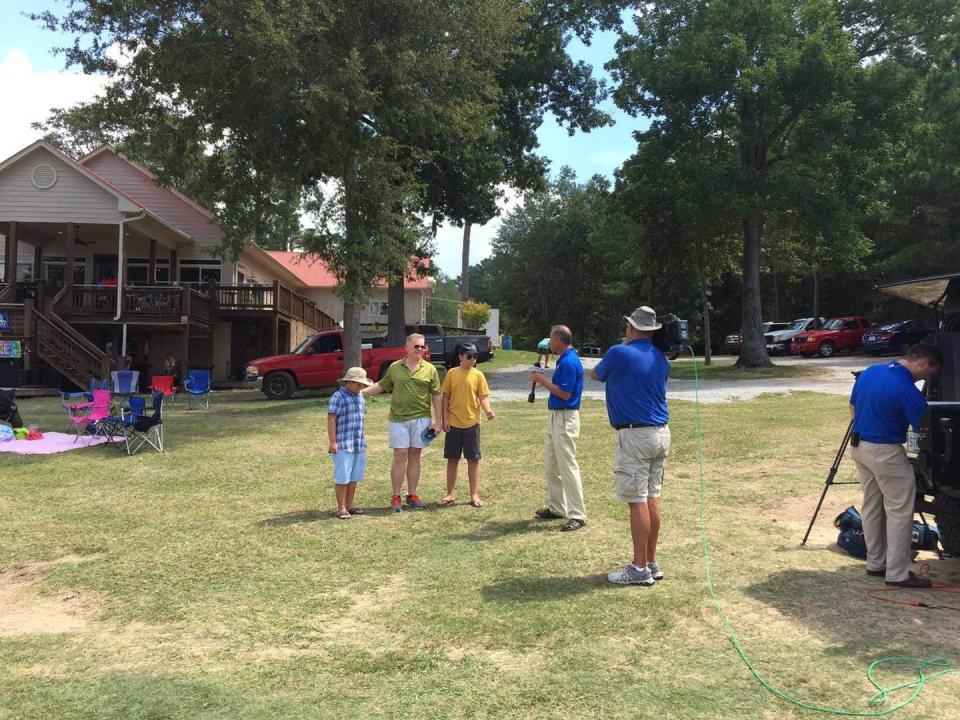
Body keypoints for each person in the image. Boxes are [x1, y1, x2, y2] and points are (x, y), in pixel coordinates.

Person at [849, 343, 942, 588]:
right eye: (929, 373)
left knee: (872, 506)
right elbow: (924, 427)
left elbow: (852, 407)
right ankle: (898, 573)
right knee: (899, 511)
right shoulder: (906, 388)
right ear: (923, 362)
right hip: (886, 451)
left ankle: (876, 563)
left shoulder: (870, 371)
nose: (926, 378)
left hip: (859, 447)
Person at [591, 306, 671, 586]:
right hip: (660, 433)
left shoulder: (619, 352)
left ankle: (638, 569)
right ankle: (650, 561)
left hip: (635, 434)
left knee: (637, 500)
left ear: (630, 327)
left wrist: (624, 344)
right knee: (651, 497)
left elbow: (596, 375)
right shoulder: (661, 357)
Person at [363, 333, 442, 512]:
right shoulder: (394, 367)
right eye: (416, 346)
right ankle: (396, 496)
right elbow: (382, 385)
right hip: (398, 419)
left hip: (421, 419)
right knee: (400, 455)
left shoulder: (430, 369)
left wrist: (438, 421)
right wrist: (361, 393)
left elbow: (437, 396)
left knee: (415, 455)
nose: (420, 349)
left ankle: (412, 495)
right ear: (406, 348)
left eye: (423, 347)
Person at [531, 325, 586, 531]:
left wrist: (541, 380)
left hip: (565, 417)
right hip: (556, 416)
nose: (549, 343)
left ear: (560, 341)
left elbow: (565, 394)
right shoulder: (564, 360)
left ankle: (578, 515)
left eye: (552, 339)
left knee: (567, 466)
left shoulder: (570, 362)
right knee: (552, 464)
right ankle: (557, 507)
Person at [438, 343, 495, 508]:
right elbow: (446, 397)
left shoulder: (478, 375)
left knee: (473, 459)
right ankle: (450, 494)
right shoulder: (451, 373)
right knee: (452, 459)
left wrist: (488, 411)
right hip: (454, 423)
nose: (473, 359)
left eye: (475, 356)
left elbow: (483, 396)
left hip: (472, 423)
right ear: (460, 357)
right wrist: (444, 419)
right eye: (469, 356)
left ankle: (474, 495)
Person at [327, 367, 372, 520]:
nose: (361, 387)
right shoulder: (338, 397)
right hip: (343, 444)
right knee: (342, 476)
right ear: (348, 382)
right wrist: (333, 442)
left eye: (363, 385)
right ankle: (341, 508)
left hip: (358, 443)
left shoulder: (360, 396)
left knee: (354, 476)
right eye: (358, 384)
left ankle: (350, 505)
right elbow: (331, 419)